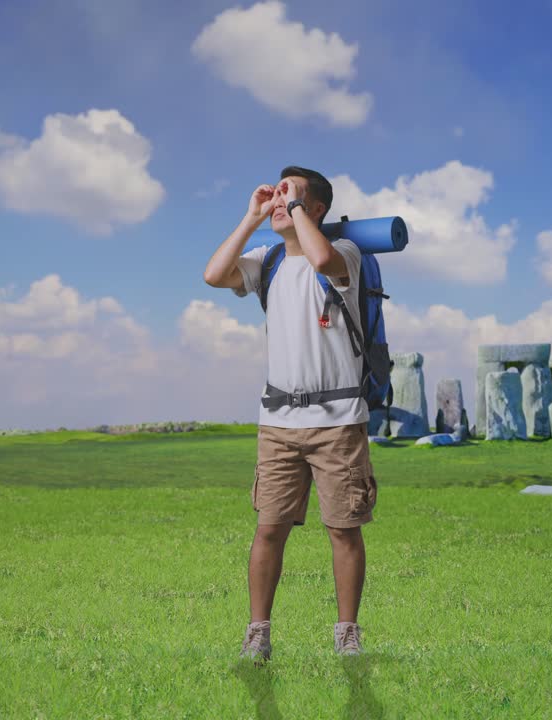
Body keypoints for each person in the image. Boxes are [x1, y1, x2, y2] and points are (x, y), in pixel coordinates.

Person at [203, 166, 377, 664]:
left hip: (338, 420)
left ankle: (347, 632)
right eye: (278, 195)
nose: (280, 201)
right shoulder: (269, 258)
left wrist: (296, 205)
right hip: (278, 423)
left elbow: (320, 255)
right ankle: (258, 631)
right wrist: (252, 215)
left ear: (315, 209)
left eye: (290, 196)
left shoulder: (345, 254)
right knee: (269, 527)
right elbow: (214, 274)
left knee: (343, 528)